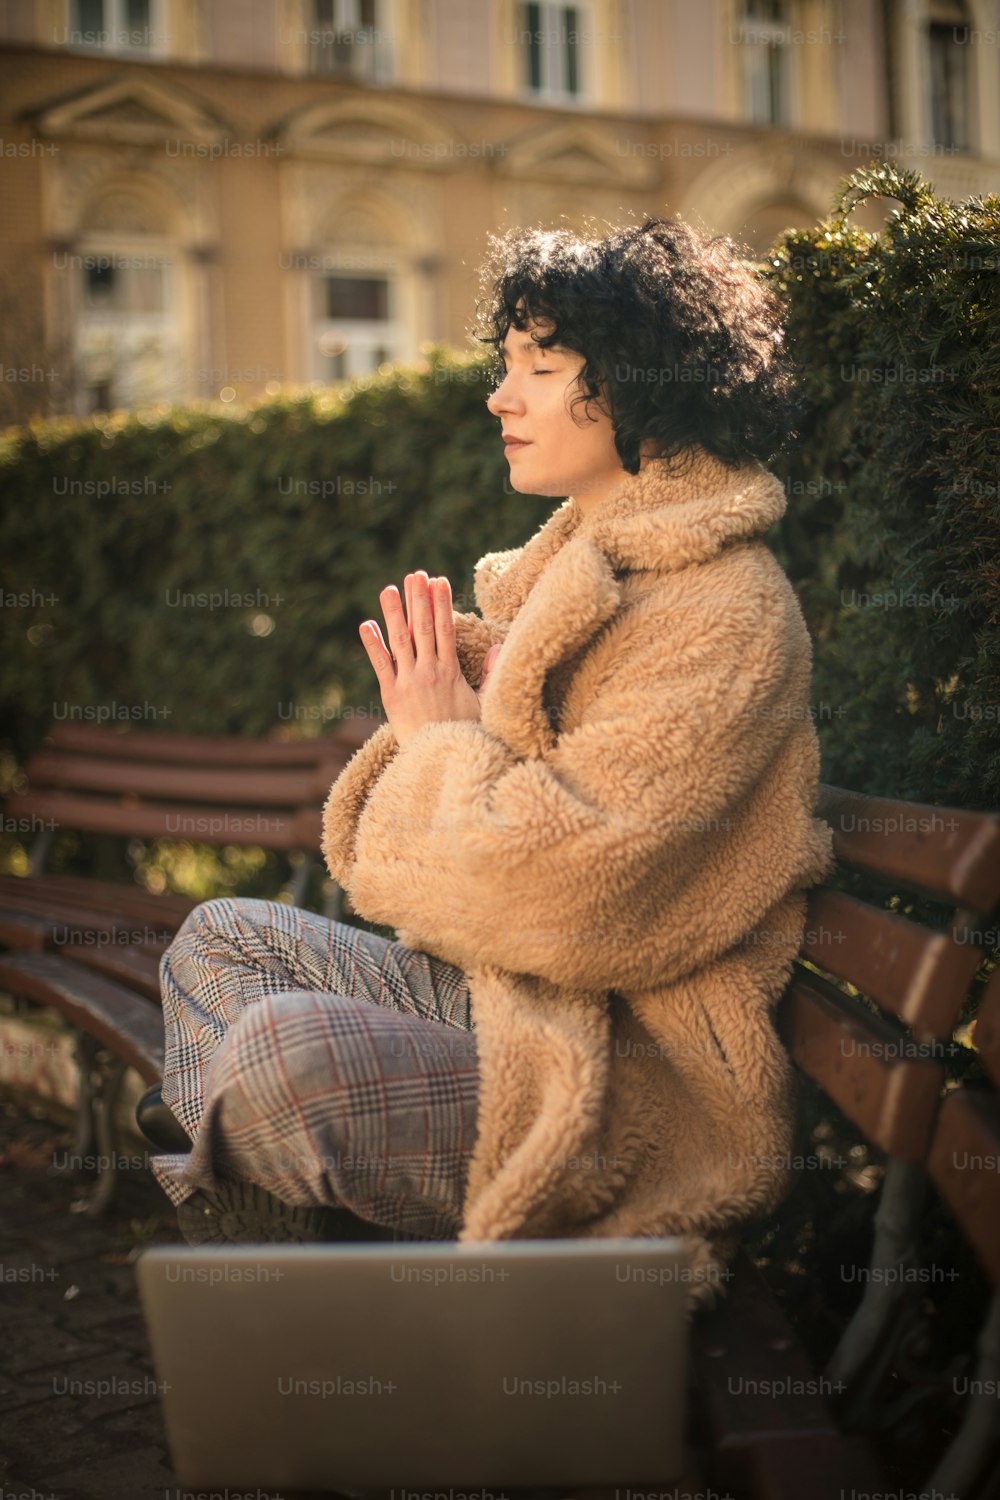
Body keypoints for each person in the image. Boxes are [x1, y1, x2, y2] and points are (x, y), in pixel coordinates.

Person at [150, 217, 833, 1308]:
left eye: (541, 369)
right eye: (505, 366)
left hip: (620, 1076)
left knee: (280, 1059)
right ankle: (272, 1249)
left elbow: (575, 893)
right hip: (517, 1003)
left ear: (642, 388)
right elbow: (436, 861)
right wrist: (450, 730)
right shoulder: (577, 578)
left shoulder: (722, 611)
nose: (499, 399)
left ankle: (279, 1285)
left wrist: (437, 742)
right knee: (217, 942)